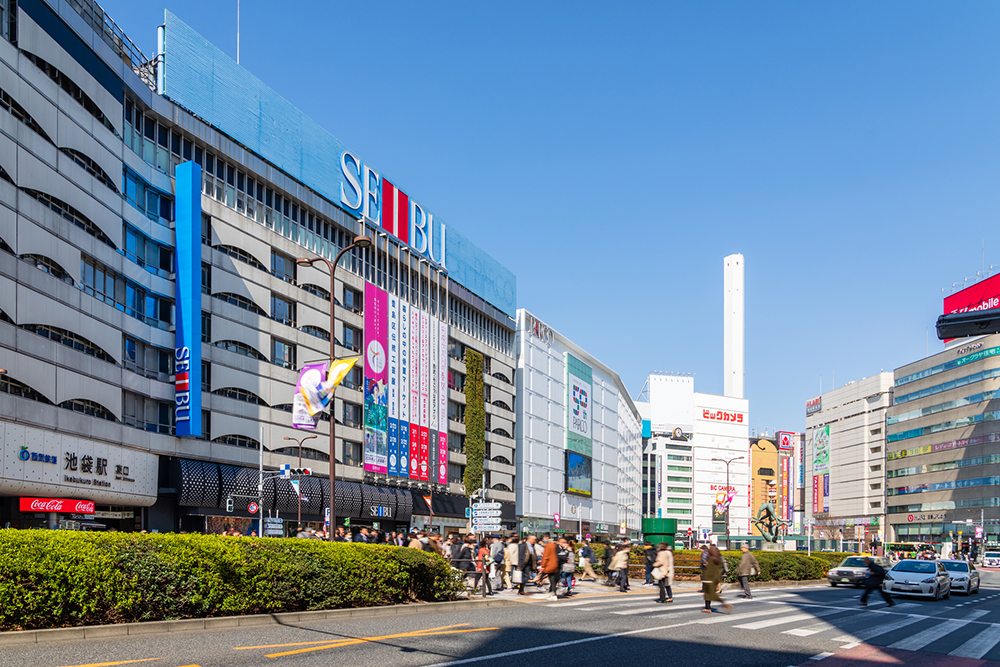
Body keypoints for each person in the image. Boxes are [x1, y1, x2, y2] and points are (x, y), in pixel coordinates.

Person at [702, 545, 732, 614]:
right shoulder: (718, 559)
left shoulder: (710, 558)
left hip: (708, 578)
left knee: (709, 594)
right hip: (715, 578)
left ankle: (722, 604)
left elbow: (709, 569)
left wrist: (706, 565)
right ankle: (707, 607)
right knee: (709, 593)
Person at [539, 534, 561, 601]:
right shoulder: (556, 546)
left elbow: (546, 556)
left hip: (550, 565)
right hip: (556, 565)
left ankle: (553, 594)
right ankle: (551, 593)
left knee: (552, 581)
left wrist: (543, 565)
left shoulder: (548, 545)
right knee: (554, 580)